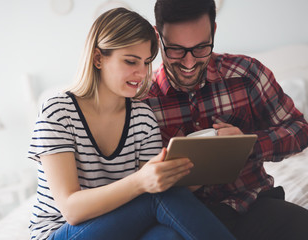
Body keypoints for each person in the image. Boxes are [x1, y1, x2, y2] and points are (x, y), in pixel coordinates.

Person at [28, 7, 235, 240]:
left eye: (147, 62)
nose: (142, 73)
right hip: (61, 232)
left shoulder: (142, 118)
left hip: (121, 228)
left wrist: (211, 164)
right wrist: (140, 182)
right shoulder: (58, 111)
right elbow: (72, 210)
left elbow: (156, 191)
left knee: (167, 235)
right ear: (98, 58)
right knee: (154, 195)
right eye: (130, 61)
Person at [142, 0, 308, 239]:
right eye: (177, 49)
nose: (189, 63)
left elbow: (300, 129)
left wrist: (250, 144)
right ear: (158, 37)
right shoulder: (142, 99)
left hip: (251, 205)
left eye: (201, 48)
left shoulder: (246, 74)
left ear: (214, 31)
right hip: (181, 218)